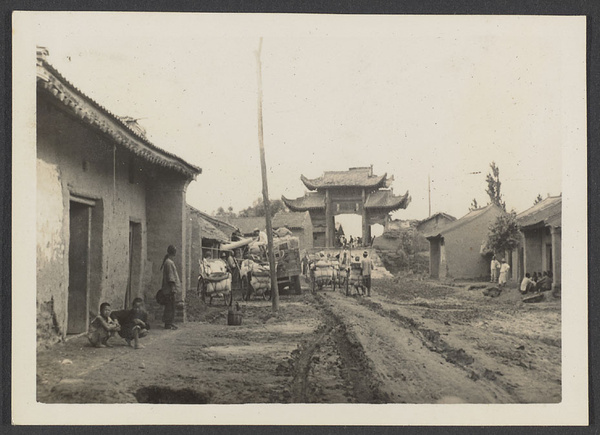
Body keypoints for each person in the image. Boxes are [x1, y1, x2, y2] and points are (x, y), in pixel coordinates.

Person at [161, 245, 180, 330]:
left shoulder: (169, 262)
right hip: (169, 289)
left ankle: (170, 322)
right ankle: (168, 323)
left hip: (169, 288)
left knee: (171, 306)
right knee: (169, 306)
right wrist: (172, 287)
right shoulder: (169, 263)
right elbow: (170, 276)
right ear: (173, 252)